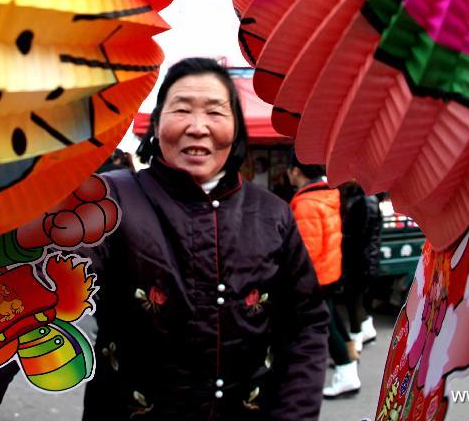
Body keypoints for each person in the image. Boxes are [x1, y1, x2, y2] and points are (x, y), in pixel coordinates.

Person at [83, 57, 329, 419]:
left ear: (236, 128)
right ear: (156, 124)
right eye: (181, 109)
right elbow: (44, 296)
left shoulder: (273, 214)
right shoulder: (109, 201)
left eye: (215, 112)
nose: (198, 127)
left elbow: (306, 322)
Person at [286, 157, 359, 398]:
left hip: (314, 277)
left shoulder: (306, 203)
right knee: (331, 318)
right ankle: (349, 356)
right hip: (328, 270)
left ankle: (346, 371)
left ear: (296, 172)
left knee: (324, 324)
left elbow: (305, 252)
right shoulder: (328, 194)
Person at [338, 182, 382, 352]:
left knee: (353, 300)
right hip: (362, 259)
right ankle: (366, 331)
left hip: (360, 260)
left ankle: (355, 342)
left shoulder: (365, 200)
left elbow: (359, 236)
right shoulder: (361, 197)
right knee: (355, 299)